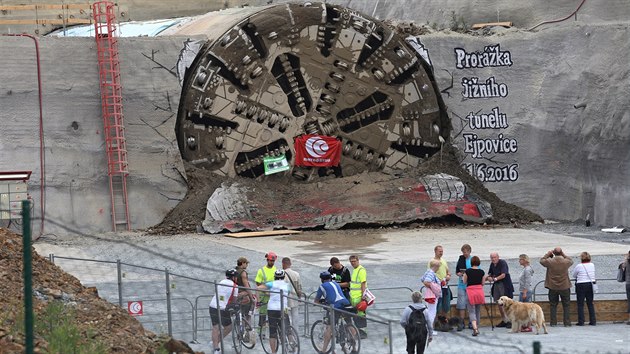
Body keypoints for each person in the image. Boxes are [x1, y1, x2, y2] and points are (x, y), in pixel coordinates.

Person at [315, 271, 356, 352]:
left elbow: (316, 301)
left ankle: (324, 350)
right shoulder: (336, 284)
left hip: (335, 307)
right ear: (330, 278)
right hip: (346, 303)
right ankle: (354, 346)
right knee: (349, 323)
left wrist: (319, 303)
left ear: (321, 279)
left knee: (330, 327)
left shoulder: (322, 286)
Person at [257, 269, 292, 354]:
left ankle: (273, 352)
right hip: (283, 308)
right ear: (283, 277)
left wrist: (260, 299)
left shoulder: (271, 283)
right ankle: (292, 344)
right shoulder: (287, 285)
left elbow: (258, 288)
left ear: (275, 277)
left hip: (272, 308)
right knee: (287, 327)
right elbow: (287, 294)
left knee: (272, 331)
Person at [540, 247, 573, 327]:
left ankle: (553, 322)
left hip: (552, 287)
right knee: (566, 305)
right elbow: (571, 260)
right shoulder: (566, 262)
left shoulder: (550, 261)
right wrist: (563, 254)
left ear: (554, 253)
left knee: (553, 305)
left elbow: (541, 261)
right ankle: (567, 322)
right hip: (564, 286)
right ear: (561, 253)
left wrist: (547, 254)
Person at [209, 269, 239, 354]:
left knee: (215, 327)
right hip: (223, 308)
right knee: (228, 327)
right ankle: (216, 343)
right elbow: (234, 300)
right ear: (233, 277)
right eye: (236, 277)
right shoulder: (235, 286)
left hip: (213, 305)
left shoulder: (221, 282)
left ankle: (215, 347)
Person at [487, 252, 514, 328]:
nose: (493, 259)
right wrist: (489, 277)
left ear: (498, 257)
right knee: (498, 302)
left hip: (504, 284)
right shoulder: (492, 264)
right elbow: (490, 273)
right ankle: (504, 320)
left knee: (507, 303)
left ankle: (510, 320)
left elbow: (503, 274)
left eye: (494, 257)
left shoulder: (502, 263)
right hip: (496, 285)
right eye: (492, 258)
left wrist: (494, 279)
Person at [463, 256, 487, 337]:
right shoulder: (482, 272)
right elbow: (483, 283)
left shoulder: (468, 271)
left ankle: (475, 328)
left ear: (471, 263)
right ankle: (477, 327)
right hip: (479, 291)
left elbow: (464, 281)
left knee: (471, 311)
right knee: (477, 310)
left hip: (471, 291)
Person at [572, 251, 597, 326]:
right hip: (590, 284)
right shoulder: (592, 265)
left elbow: (574, 275)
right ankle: (593, 321)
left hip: (581, 284)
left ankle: (581, 321)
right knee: (590, 303)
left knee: (580, 304)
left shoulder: (579, 266)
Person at [255, 252, 278, 328]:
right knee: (262, 316)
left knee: (273, 315)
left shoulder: (275, 270)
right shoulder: (261, 270)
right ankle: (261, 332)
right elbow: (258, 283)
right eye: (271, 261)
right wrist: (265, 291)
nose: (272, 262)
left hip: (273, 296)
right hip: (263, 297)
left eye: (273, 261)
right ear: (267, 260)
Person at [428, 245, 452, 317]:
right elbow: (429, 274)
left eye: (442, 251)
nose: (441, 253)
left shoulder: (444, 261)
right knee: (438, 306)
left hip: (445, 286)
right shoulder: (431, 262)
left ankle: (444, 321)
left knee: (446, 305)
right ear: (435, 251)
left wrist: (448, 276)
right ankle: (437, 323)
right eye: (440, 251)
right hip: (436, 286)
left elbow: (448, 272)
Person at [349, 254, 368, 338]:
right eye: (351, 262)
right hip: (353, 297)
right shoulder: (355, 270)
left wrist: (363, 297)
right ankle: (358, 331)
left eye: (354, 261)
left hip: (359, 297)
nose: (353, 263)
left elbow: (363, 284)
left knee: (360, 315)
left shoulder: (361, 270)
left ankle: (363, 333)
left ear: (358, 261)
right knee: (356, 315)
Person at [236, 257, 256, 336]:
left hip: (236, 296)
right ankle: (246, 334)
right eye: (246, 263)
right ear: (242, 263)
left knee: (239, 315)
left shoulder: (235, 271)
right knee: (247, 316)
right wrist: (252, 297)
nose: (247, 265)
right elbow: (246, 286)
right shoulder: (243, 272)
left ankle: (239, 332)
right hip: (244, 297)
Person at [421, 259, 442, 336]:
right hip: (432, 295)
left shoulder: (428, 271)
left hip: (428, 294)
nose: (439, 268)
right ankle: (430, 330)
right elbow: (426, 281)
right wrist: (433, 286)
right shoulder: (431, 273)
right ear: (435, 266)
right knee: (432, 312)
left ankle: (428, 329)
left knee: (429, 311)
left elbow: (422, 279)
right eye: (438, 267)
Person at [455, 244, 472, 331]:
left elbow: (477, 271)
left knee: (470, 304)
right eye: (463, 252)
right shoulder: (460, 259)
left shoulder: (473, 260)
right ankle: (461, 322)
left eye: (465, 252)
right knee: (461, 304)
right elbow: (457, 271)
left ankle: (471, 322)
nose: (464, 254)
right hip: (461, 284)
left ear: (469, 251)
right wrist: (459, 274)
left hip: (470, 285)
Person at [282, 257, 303, 329]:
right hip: (294, 297)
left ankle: (288, 333)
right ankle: (295, 334)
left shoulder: (282, 274)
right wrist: (299, 297)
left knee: (286, 317)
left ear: (283, 264)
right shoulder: (296, 274)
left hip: (285, 298)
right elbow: (299, 287)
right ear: (290, 264)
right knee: (295, 317)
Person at [518, 254, 534, 332]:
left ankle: (528, 325)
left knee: (526, 310)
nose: (519, 261)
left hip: (525, 291)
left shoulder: (527, 270)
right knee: (524, 309)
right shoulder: (526, 269)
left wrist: (524, 292)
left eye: (520, 259)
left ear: (524, 260)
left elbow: (527, 282)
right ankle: (525, 325)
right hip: (525, 290)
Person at [622, 250, 630, 325]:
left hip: (628, 283)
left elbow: (622, 268)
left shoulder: (626, 262)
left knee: (629, 301)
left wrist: (625, 258)